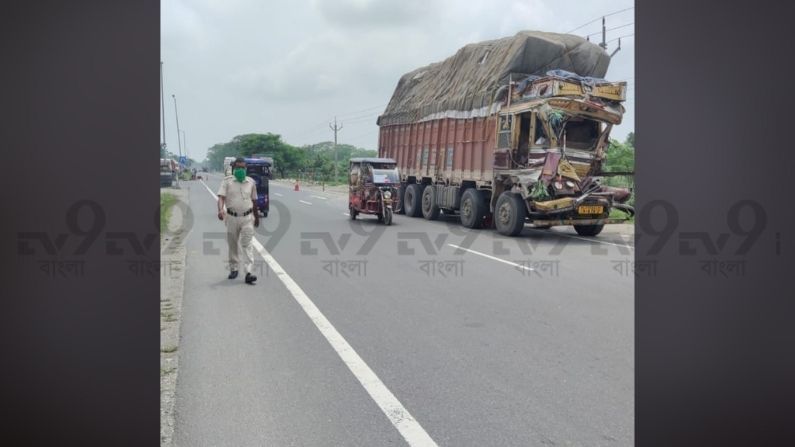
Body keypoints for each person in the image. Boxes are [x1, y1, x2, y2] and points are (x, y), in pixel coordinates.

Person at [217, 157, 260, 284]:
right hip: (231, 217)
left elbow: (254, 200)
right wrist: (220, 210)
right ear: (234, 168)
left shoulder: (250, 182)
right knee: (233, 244)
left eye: (243, 167)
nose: (240, 170)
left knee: (247, 245)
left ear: (246, 168)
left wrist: (256, 217)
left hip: (247, 218)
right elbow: (221, 198)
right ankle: (234, 269)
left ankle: (249, 272)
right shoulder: (227, 182)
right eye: (238, 167)